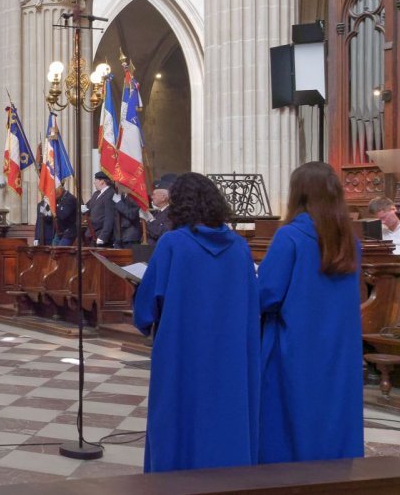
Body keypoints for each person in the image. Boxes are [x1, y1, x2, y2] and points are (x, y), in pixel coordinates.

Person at [133, 172, 259, 473]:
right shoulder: (240, 248)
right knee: (225, 417)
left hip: (181, 352)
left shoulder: (173, 244)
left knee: (177, 418)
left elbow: (147, 307)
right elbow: (253, 300)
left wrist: (143, 314)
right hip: (230, 352)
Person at [258, 161, 363, 464]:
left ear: (298, 194)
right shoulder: (350, 242)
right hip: (339, 349)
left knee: (289, 420)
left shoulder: (289, 237)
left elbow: (266, 294)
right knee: (335, 415)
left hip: (295, 346)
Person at [84, 172, 118, 247]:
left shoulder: (110, 193)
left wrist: (103, 236)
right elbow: (88, 207)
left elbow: (109, 217)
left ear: (102, 181)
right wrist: (83, 208)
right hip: (91, 232)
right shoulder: (96, 194)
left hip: (100, 234)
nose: (94, 182)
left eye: (96, 180)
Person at [145, 173, 176, 246]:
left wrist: (150, 219)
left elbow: (161, 232)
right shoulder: (157, 212)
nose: (152, 197)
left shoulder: (171, 213)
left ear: (163, 197)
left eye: (154, 194)